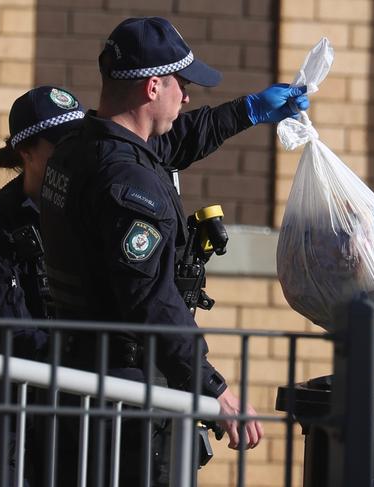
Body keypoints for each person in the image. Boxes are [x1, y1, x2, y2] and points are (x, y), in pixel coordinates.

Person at [39, 16, 309, 486]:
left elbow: (173, 142)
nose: (187, 97)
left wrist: (248, 111)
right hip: (126, 393)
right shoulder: (128, 183)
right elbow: (150, 302)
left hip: (80, 370)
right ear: (152, 87)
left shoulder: (81, 146)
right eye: (181, 85)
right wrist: (212, 388)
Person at [0, 86, 85, 486]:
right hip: (26, 420)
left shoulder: (97, 210)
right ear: (27, 152)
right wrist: (84, 354)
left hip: (94, 412)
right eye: (62, 144)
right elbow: (9, 334)